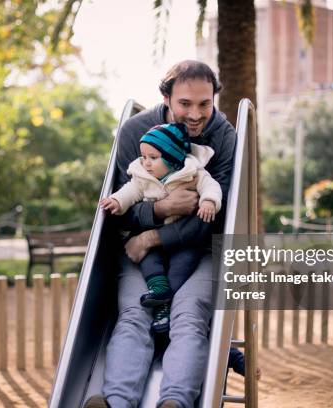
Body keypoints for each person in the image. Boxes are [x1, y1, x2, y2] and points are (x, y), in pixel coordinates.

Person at [84, 60, 236, 408]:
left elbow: (216, 217)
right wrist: (161, 209)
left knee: (189, 314)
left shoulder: (223, 137)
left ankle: (176, 402)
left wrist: (152, 237)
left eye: (205, 103)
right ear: (166, 98)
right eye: (185, 104)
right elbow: (121, 212)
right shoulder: (135, 133)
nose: (196, 115)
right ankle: (117, 402)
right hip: (141, 254)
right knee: (135, 314)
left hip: (199, 250)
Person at [100, 122, 222, 333]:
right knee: (147, 259)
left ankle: (165, 306)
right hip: (153, 239)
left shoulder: (192, 173)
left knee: (181, 266)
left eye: (153, 158)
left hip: (184, 242)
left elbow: (211, 186)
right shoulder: (143, 177)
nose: (146, 163)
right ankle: (159, 289)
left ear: (173, 157)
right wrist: (117, 201)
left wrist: (209, 201)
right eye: (144, 157)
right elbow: (130, 191)